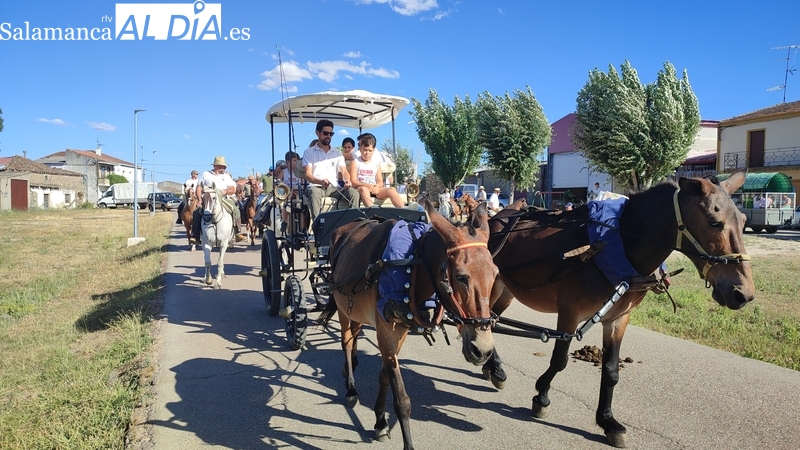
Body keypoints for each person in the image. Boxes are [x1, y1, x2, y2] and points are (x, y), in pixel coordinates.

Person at [302, 119, 360, 225]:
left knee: (354, 193)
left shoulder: (337, 153)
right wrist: (320, 181)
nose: (328, 136)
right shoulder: (309, 152)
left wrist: (347, 180)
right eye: (325, 133)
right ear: (317, 133)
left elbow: (344, 171)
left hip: (334, 188)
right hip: (316, 187)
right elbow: (308, 174)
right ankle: (318, 229)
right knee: (314, 193)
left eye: (331, 133)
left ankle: (352, 226)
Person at [191, 156, 248, 243]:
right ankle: (195, 235)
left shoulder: (226, 176)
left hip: (223, 199)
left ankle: (237, 233)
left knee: (236, 210)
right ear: (216, 166)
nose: (224, 168)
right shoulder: (206, 174)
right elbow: (199, 187)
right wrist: (199, 199)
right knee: (196, 212)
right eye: (223, 166)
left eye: (224, 167)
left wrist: (226, 191)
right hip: (208, 199)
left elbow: (233, 188)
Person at [350, 133, 404, 208]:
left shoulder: (375, 163)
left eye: (370, 150)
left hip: (374, 188)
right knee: (364, 189)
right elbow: (353, 181)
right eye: (365, 150)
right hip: (361, 188)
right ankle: (372, 209)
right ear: (360, 149)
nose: (367, 153)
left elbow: (380, 181)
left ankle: (404, 209)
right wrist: (368, 186)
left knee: (391, 189)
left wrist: (377, 187)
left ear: (373, 150)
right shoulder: (355, 162)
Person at [273, 151, 302, 233]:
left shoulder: (300, 172)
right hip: (287, 193)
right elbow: (278, 183)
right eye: (295, 160)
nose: (297, 163)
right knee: (287, 200)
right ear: (288, 162)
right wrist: (283, 185)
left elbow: (304, 183)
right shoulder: (283, 172)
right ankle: (285, 221)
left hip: (298, 193)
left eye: (297, 161)